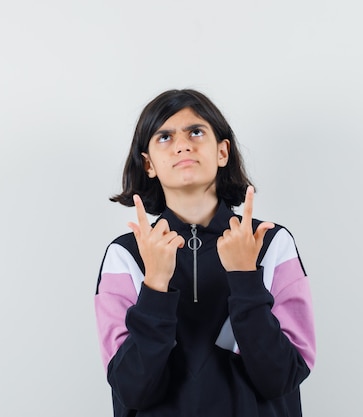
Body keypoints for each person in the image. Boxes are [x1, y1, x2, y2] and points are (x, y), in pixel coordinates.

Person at [94, 89, 316, 417]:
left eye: (196, 132)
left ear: (222, 151)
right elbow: (132, 389)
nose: (183, 144)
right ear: (148, 164)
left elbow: (281, 377)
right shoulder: (126, 255)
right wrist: (155, 284)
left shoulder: (270, 243)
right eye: (164, 137)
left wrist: (245, 279)